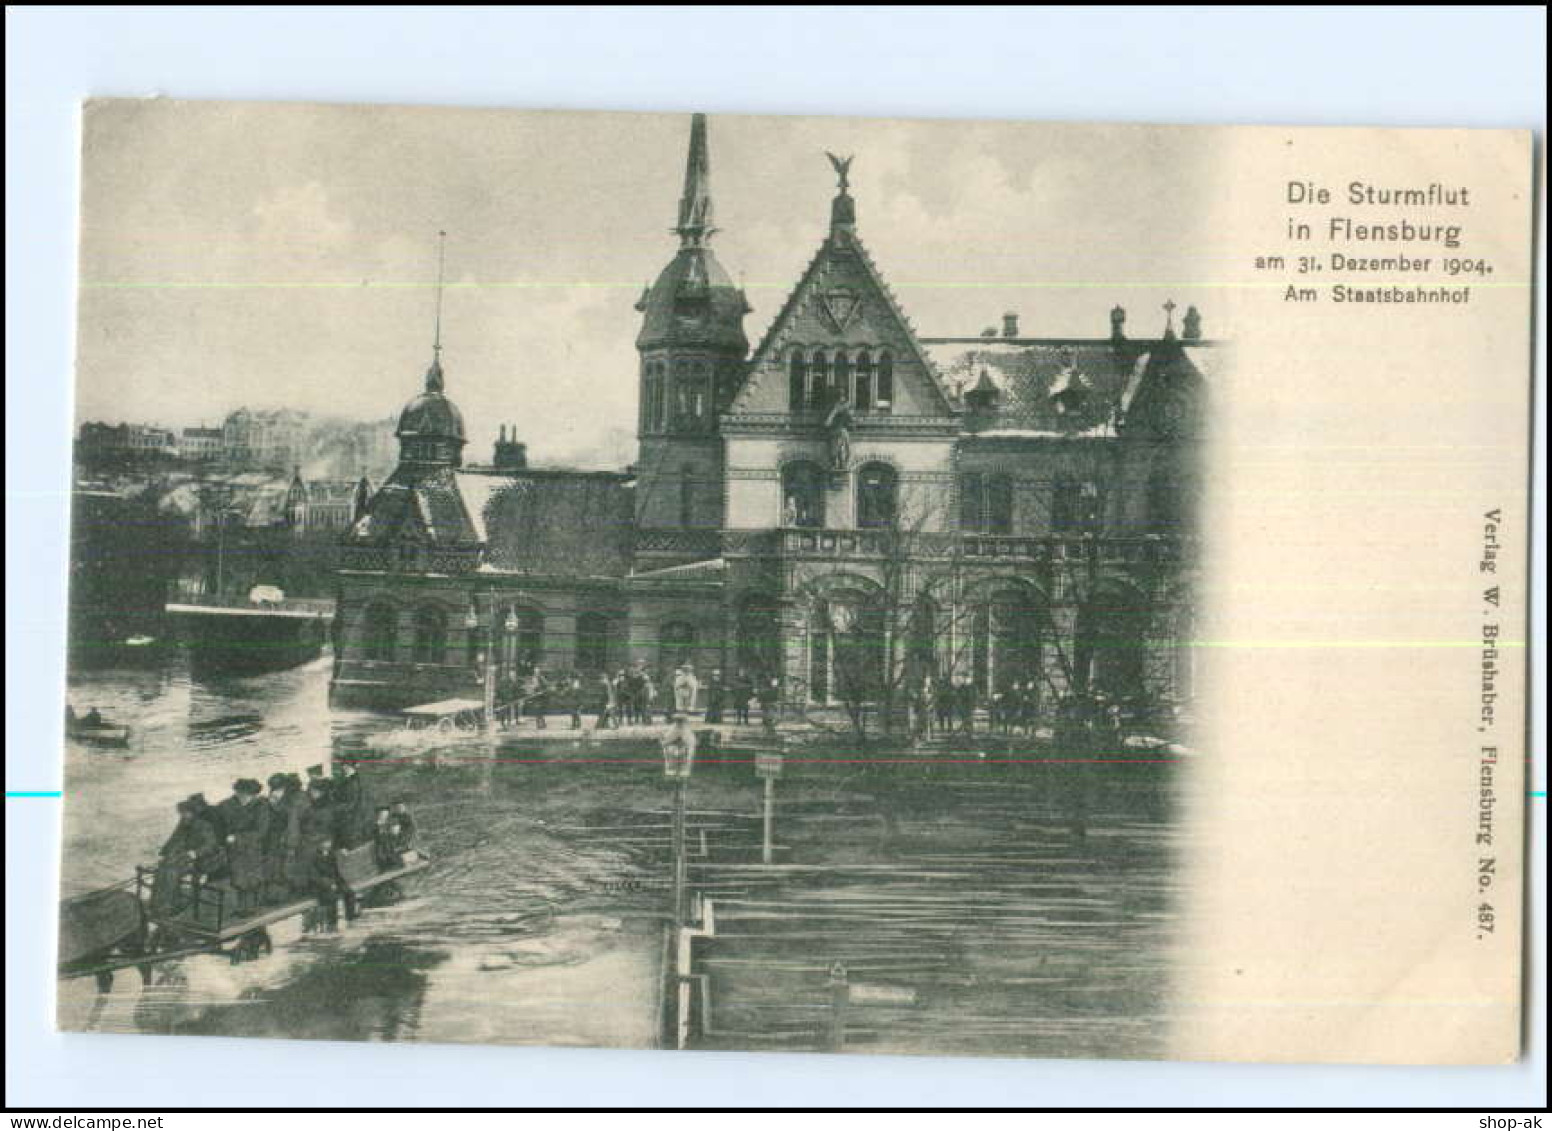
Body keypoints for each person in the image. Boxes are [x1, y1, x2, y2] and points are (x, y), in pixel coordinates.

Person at [150, 798, 222, 914]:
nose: (183, 815)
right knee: (162, 870)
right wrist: (165, 854)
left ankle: (171, 905)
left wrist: (195, 853)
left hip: (203, 860)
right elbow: (174, 841)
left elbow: (211, 845)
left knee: (172, 872)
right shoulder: (183, 825)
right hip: (185, 859)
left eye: (186, 813)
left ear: (193, 813)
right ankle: (157, 904)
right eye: (182, 813)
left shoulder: (204, 826)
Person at [216, 778, 271, 914]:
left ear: (253, 795)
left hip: (252, 848)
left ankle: (252, 907)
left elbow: (261, 832)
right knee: (238, 878)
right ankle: (241, 907)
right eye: (240, 794)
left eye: (246, 795)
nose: (242, 797)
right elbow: (217, 815)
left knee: (252, 880)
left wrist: (238, 838)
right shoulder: (228, 804)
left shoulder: (261, 807)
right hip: (235, 850)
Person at [262, 772, 309, 903]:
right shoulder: (286, 798)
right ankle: (278, 895)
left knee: (286, 867)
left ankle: (285, 895)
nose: (274, 791)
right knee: (277, 867)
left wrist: (290, 843)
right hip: (279, 838)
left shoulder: (295, 800)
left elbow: (292, 823)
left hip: (290, 838)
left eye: (277, 788)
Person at [332, 761, 373, 850]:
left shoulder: (353, 782)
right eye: (343, 765)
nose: (344, 768)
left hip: (351, 820)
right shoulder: (349, 780)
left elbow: (352, 803)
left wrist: (336, 808)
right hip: (350, 818)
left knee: (349, 846)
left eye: (347, 766)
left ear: (352, 767)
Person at [660, 714, 698, 779]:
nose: (679, 722)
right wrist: (671, 743)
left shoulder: (687, 730)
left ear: (684, 721)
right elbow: (665, 740)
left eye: (681, 720)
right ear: (675, 721)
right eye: (678, 720)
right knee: (670, 754)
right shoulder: (672, 729)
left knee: (686, 756)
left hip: (685, 749)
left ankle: (684, 774)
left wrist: (683, 745)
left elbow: (691, 742)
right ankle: (671, 774)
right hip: (672, 748)